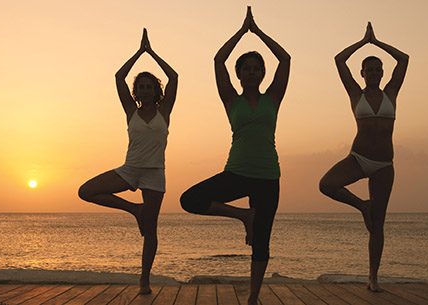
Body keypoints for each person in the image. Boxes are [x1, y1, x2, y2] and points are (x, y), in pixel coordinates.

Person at [180, 7, 290, 305]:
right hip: (237, 172)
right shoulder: (231, 99)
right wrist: (242, 32)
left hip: (268, 175)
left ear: (262, 73)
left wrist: (259, 33)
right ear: (239, 74)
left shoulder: (273, 98)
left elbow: (286, 59)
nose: (252, 71)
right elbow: (218, 60)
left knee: (262, 243)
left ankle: (253, 298)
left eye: (257, 68)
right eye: (247, 68)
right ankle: (244, 215)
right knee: (189, 200)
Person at [78, 28, 178, 295]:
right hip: (130, 169)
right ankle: (134, 209)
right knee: (86, 191)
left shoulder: (164, 111)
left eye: (150, 86)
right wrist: (139, 52)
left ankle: (144, 280)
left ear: (156, 90)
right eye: (141, 86)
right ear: (136, 91)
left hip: (155, 173)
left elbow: (174, 77)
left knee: (151, 230)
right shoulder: (130, 110)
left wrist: (152, 53)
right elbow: (119, 77)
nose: (146, 90)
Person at [319, 22, 408, 292]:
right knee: (326, 184)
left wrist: (376, 41)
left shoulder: (391, 92)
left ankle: (373, 278)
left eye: (378, 69)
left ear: (382, 73)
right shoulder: (355, 93)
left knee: (378, 225)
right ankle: (362, 206)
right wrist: (362, 42)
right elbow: (339, 59)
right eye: (369, 69)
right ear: (362, 73)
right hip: (358, 158)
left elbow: (403, 59)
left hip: (384, 165)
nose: (374, 73)